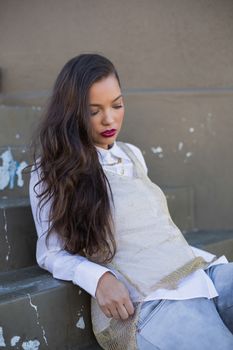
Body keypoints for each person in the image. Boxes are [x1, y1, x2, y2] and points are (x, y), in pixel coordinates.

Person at [29, 54, 233, 350]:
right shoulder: (51, 169)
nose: (109, 119)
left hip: (196, 274)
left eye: (117, 104)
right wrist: (99, 278)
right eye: (93, 110)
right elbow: (51, 253)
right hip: (148, 303)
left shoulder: (131, 154)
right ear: (71, 112)